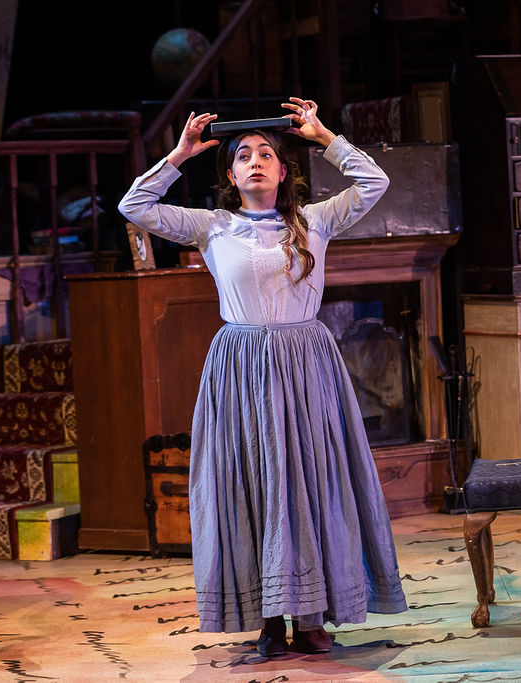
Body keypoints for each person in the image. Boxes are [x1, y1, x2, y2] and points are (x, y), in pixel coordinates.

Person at [118, 98, 407, 657]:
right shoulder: (212, 226)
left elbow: (374, 182)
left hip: (306, 365)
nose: (255, 161)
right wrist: (179, 155)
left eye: (266, 153)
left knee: (308, 484)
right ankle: (269, 616)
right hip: (242, 369)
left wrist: (325, 137)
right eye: (243, 155)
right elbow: (136, 204)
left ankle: (312, 615)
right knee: (253, 485)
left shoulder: (314, 219)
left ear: (282, 170)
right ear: (229, 174)